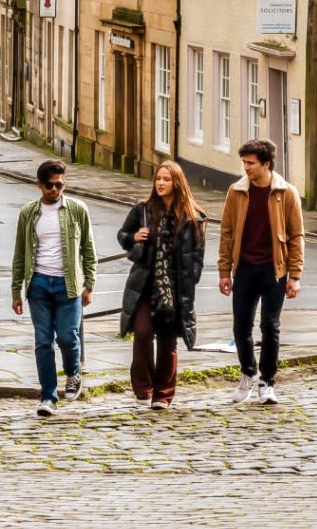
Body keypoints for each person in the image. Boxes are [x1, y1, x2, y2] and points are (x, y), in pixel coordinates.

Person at [217, 138, 305, 406]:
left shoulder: (286, 193)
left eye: (251, 163)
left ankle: (267, 382)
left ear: (266, 164)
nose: (246, 167)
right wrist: (224, 271)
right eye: (244, 162)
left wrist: (295, 275)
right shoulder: (236, 192)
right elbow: (227, 233)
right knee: (241, 327)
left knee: (270, 326)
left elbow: (296, 235)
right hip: (244, 269)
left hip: (274, 271)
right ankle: (247, 373)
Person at [11, 159, 96, 417]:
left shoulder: (77, 210)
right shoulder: (28, 213)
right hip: (38, 284)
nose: (55, 190)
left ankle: (73, 374)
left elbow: (88, 250)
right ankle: (48, 396)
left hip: (68, 285)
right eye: (50, 185)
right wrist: (17, 291)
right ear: (39, 185)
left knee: (69, 337)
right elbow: (19, 254)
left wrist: (89, 284)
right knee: (43, 342)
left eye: (59, 185)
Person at [118, 162, 205, 410]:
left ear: (177, 183)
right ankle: (143, 388)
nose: (161, 183)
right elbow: (123, 236)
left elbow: (197, 254)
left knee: (168, 341)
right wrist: (133, 238)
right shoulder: (143, 210)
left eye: (166, 179)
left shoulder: (191, 217)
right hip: (145, 284)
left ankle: (163, 395)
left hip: (174, 288)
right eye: (158, 179)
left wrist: (193, 276)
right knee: (143, 332)